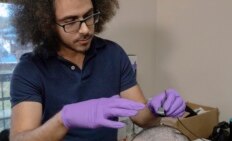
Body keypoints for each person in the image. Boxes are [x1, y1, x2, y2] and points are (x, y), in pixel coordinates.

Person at [9, 0, 186, 141]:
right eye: (70, 21)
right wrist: (63, 119)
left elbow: (141, 118)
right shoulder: (30, 70)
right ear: (47, 24)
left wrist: (156, 109)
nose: (85, 29)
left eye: (88, 16)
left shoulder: (113, 54)